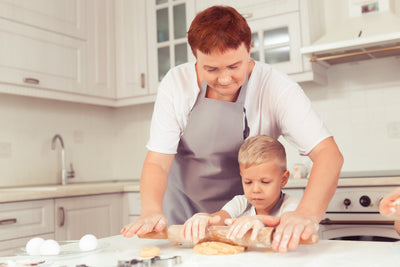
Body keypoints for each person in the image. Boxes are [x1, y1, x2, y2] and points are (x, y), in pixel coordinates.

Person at [120, 5, 344, 253]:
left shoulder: (277, 89)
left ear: (249, 50)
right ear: (196, 57)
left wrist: (306, 214)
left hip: (241, 220)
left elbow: (328, 154)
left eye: (234, 67)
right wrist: (151, 210)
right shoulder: (176, 84)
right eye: (211, 69)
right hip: (182, 217)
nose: (224, 79)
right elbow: (157, 162)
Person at [182, 135, 299, 244]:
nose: (255, 189)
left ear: (283, 179)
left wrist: (259, 220)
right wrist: (205, 219)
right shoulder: (240, 203)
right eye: (248, 182)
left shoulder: (291, 205)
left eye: (265, 182)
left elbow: (285, 223)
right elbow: (220, 217)